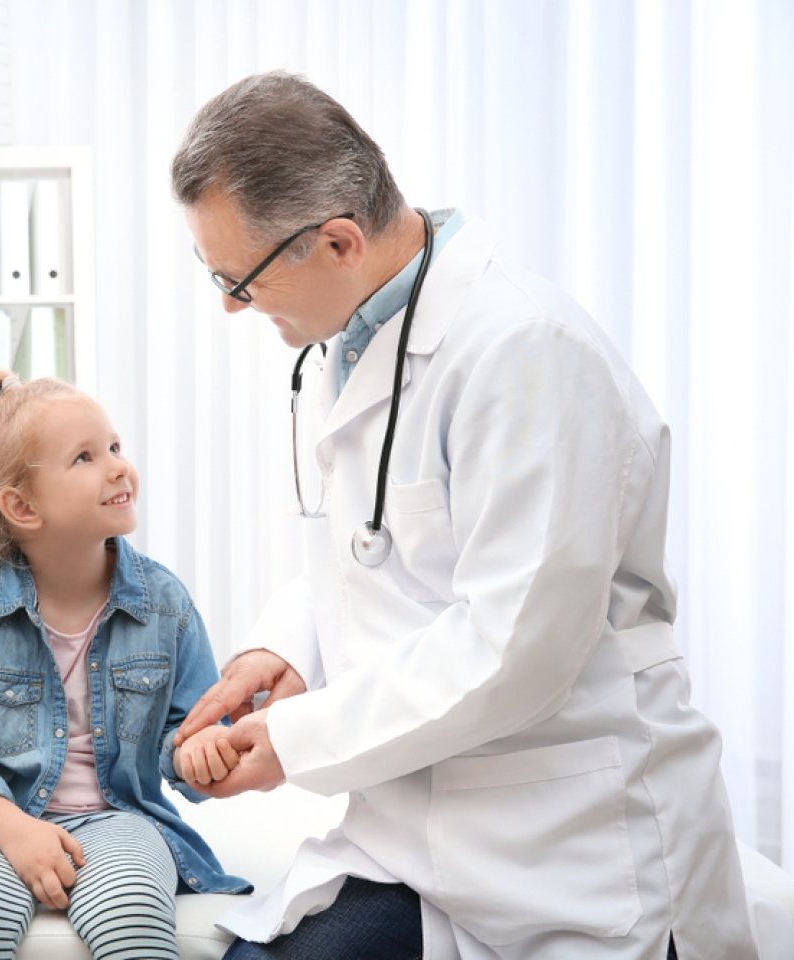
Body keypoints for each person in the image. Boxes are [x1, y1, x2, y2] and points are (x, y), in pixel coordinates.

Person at [168, 71, 768, 959]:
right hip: (413, 830)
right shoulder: (360, 337)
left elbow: (516, 643)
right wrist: (286, 650)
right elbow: (374, 546)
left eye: (238, 280)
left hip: (568, 841)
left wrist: (292, 742)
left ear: (336, 241)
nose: (229, 305)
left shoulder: (524, 352)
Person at [0, 370, 250, 960]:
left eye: (114, 447)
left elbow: (195, 723)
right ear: (22, 507)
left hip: (118, 817)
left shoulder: (164, 604)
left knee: (132, 910)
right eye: (84, 457)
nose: (117, 466)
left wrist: (198, 751)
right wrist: (15, 831)